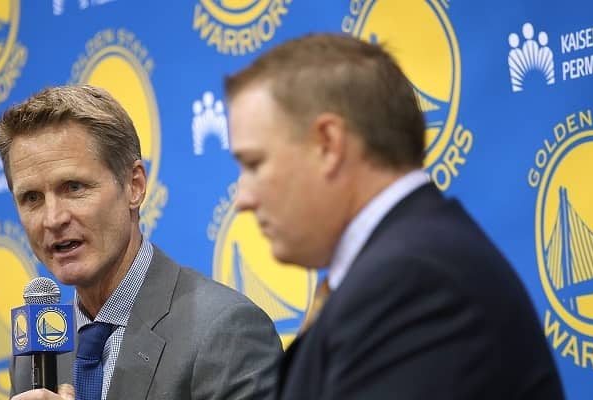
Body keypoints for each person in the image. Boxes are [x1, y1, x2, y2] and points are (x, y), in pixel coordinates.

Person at [224, 33, 565, 400]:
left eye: (254, 164)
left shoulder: (412, 281)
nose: (243, 199)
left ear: (328, 144)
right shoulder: (408, 266)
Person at [0, 85, 282, 400]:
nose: (53, 218)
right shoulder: (36, 358)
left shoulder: (224, 332)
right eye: (32, 198)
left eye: (74, 187)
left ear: (134, 186)